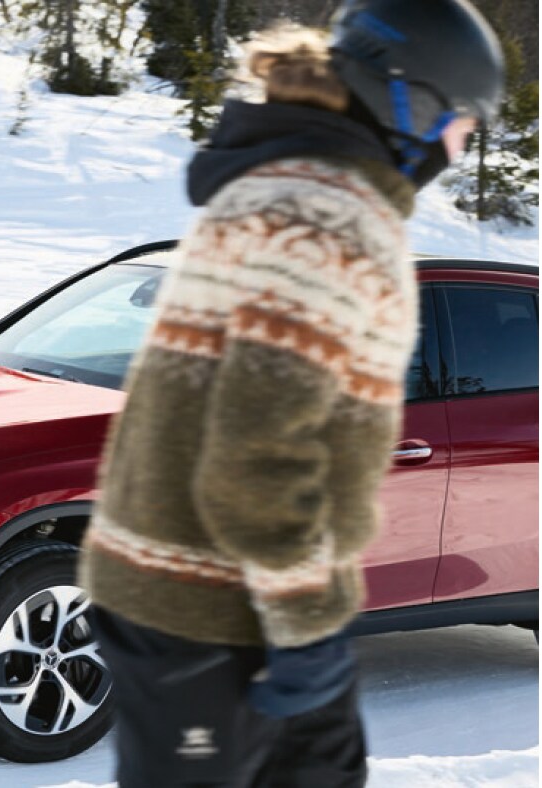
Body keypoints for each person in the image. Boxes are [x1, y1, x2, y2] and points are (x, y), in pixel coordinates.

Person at [78, 1, 504, 786]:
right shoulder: (330, 219)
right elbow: (258, 450)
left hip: (203, 587)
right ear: (410, 99)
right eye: (464, 120)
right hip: (214, 607)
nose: (461, 143)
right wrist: (305, 627)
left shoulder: (281, 187)